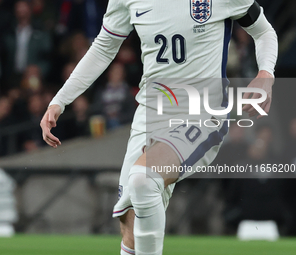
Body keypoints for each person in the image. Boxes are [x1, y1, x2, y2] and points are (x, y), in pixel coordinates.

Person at [40, 0, 277, 254]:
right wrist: (60, 101)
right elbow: (103, 47)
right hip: (150, 113)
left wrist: (266, 74)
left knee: (144, 179)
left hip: (201, 112)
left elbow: (263, 31)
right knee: (130, 220)